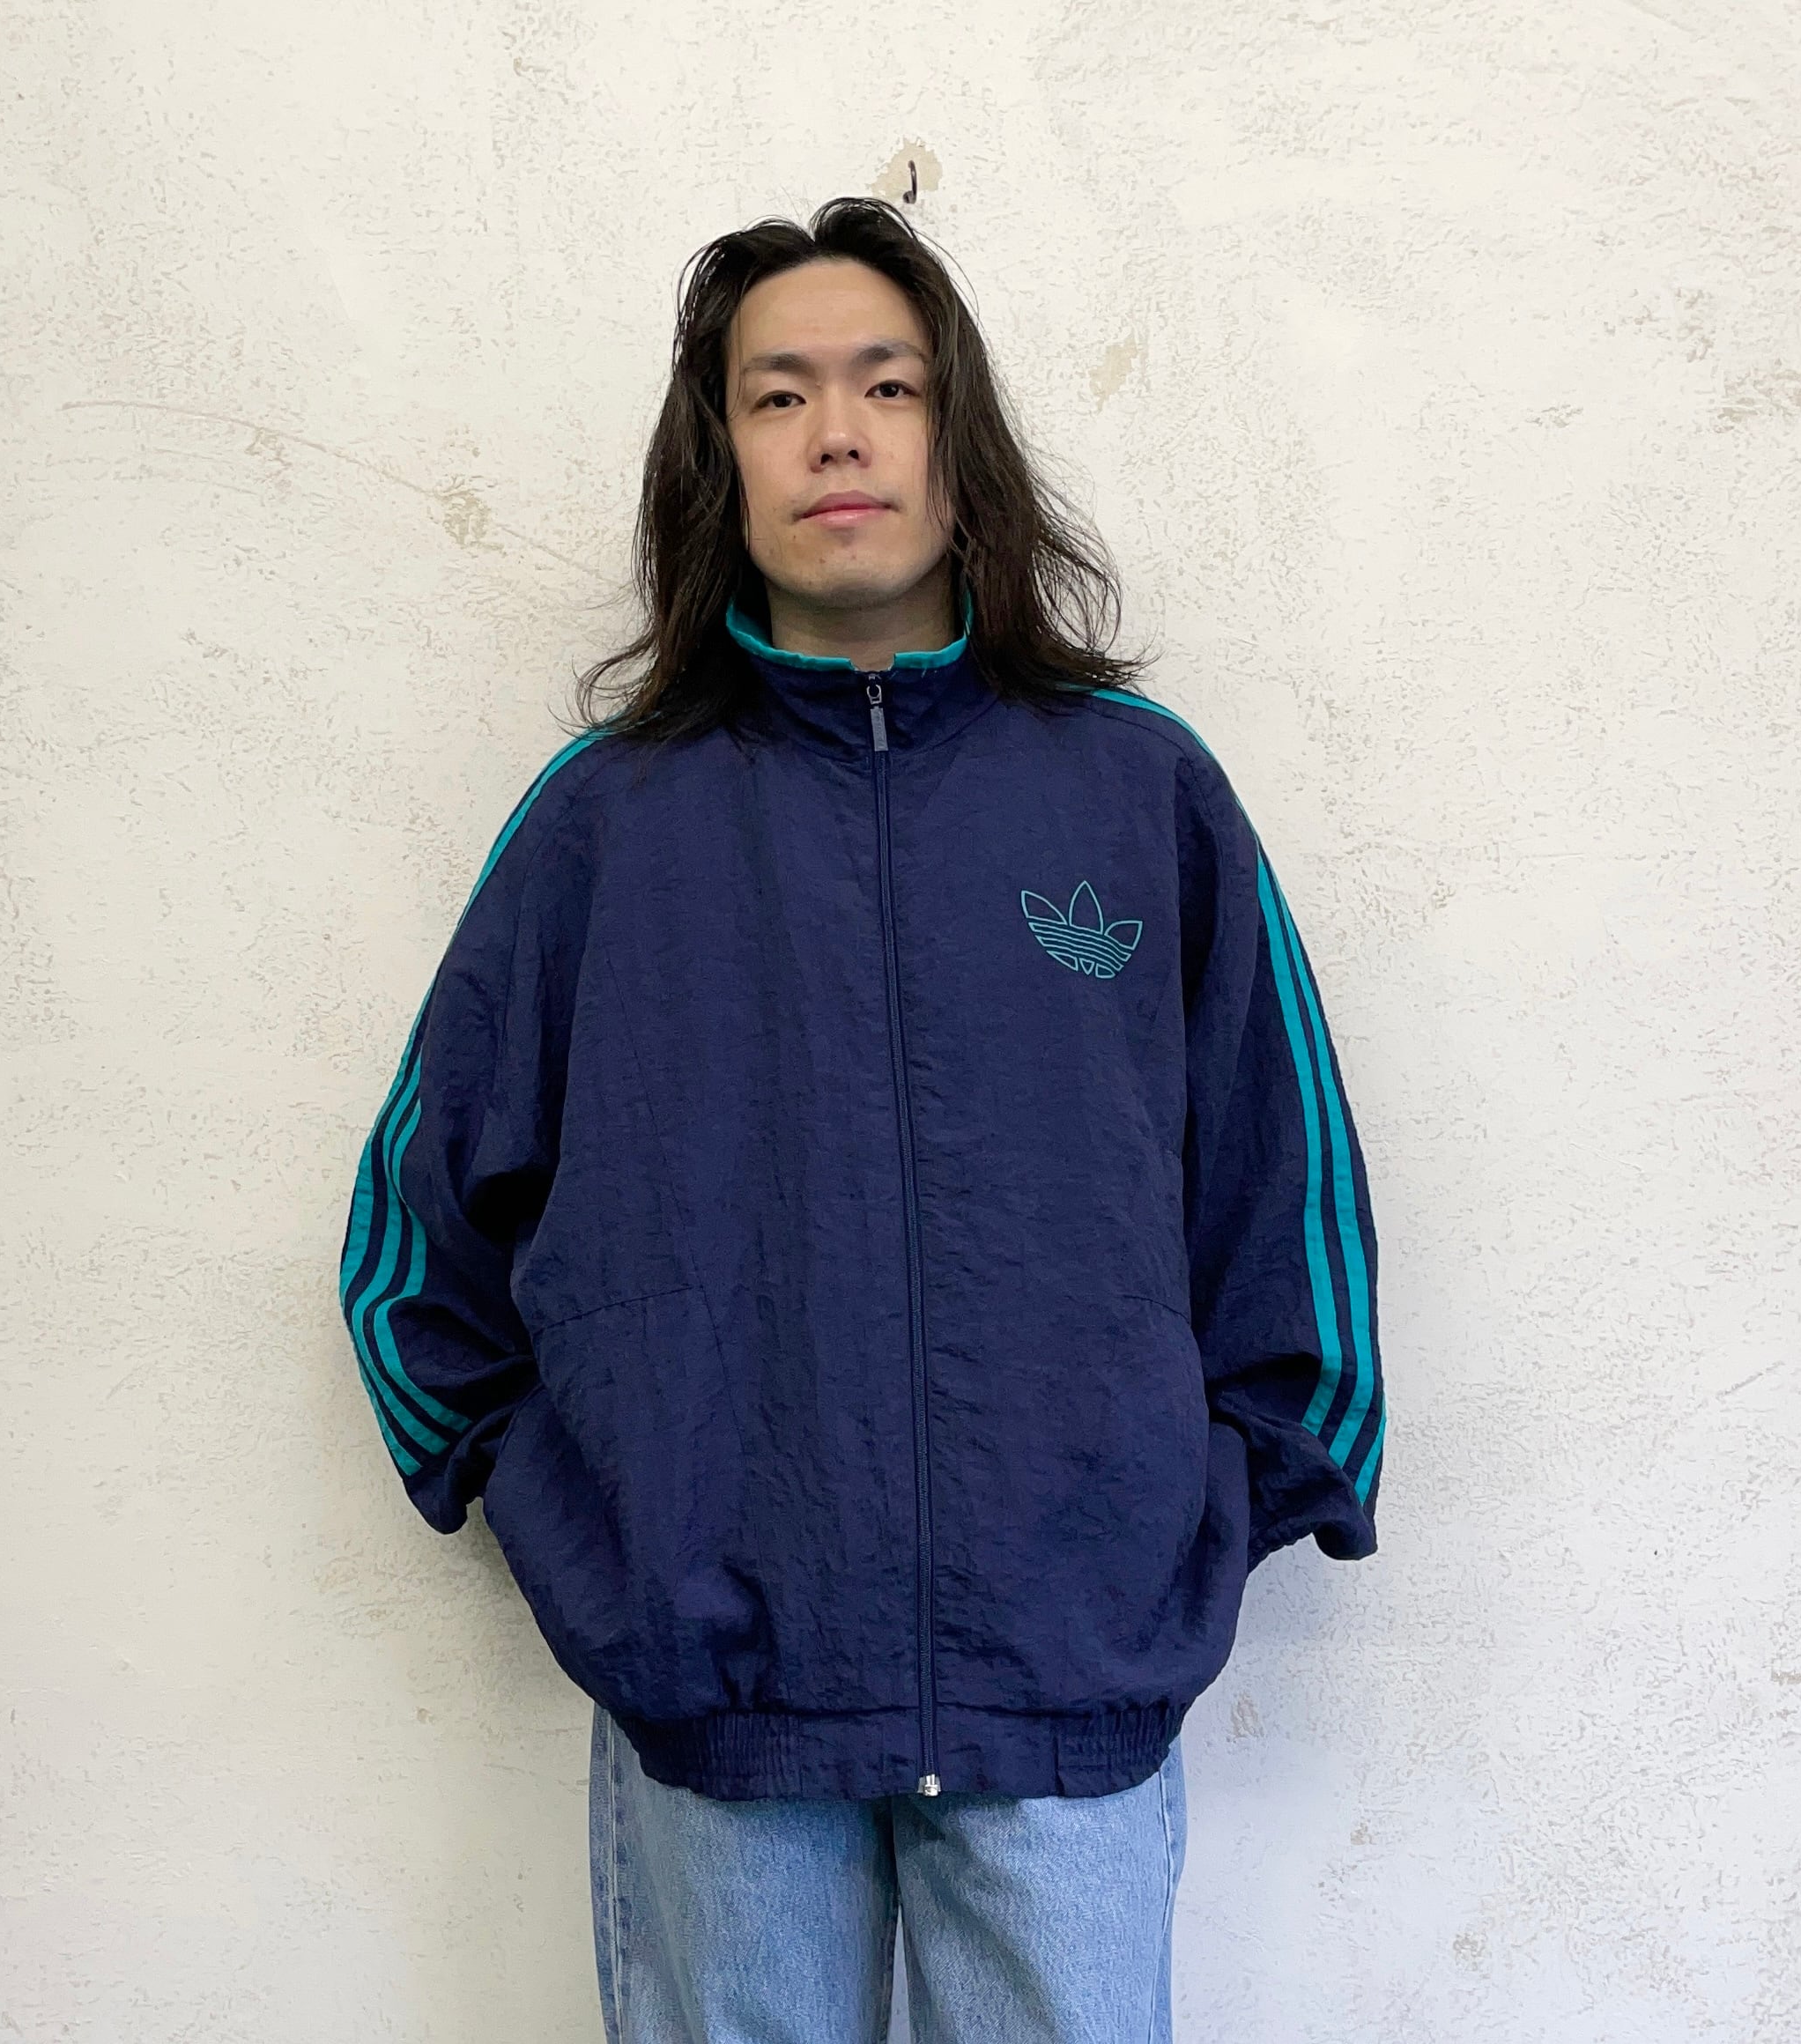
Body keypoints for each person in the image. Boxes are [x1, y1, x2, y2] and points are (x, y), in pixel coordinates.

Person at [338, 196, 1383, 2044]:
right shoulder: (604, 826)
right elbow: (412, 1254)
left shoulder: (1138, 797)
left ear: (954, 438)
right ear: (718, 461)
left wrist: (1183, 1536)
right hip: (718, 1711)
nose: (836, 432)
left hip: (1063, 1692)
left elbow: (1282, 1198)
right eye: (778, 394)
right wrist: (602, 1554)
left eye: (886, 385)